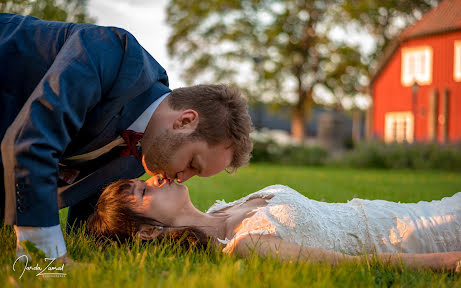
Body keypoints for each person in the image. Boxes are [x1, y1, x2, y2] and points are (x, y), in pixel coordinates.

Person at [0, 13, 253, 260]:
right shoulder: (112, 56)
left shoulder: (140, 155)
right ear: (185, 121)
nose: (182, 179)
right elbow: (32, 142)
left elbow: (89, 225)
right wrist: (44, 255)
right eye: (192, 164)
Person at [87, 176, 461, 271]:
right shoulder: (247, 244)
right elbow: (355, 267)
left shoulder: (223, 208)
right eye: (143, 192)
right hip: (423, 234)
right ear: (149, 231)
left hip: (413, 209)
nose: (156, 179)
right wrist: (448, 261)